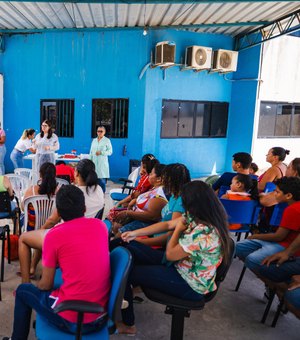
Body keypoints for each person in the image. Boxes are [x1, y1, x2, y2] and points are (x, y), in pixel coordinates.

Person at [116, 181, 231, 335]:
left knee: (126, 273)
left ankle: (128, 324)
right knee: (128, 246)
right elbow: (169, 224)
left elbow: (170, 253)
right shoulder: (198, 216)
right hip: (180, 266)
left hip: (190, 284)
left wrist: (178, 230)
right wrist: (135, 234)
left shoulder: (204, 233)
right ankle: (122, 291)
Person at [3, 185, 110, 340]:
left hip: (73, 320)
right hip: (101, 317)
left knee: (23, 290)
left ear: (58, 213)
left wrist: (38, 288)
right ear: (84, 208)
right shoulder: (100, 226)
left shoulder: (54, 237)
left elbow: (45, 285)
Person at [19, 159, 104, 283]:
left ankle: (25, 282)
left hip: (67, 236)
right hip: (89, 235)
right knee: (42, 232)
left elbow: (53, 220)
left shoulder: (73, 193)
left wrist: (41, 229)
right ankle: (33, 267)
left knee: (26, 238)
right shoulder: (99, 190)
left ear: (77, 173)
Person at [236, 177, 300, 272]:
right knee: (239, 247)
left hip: (285, 246)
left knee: (252, 260)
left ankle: (274, 285)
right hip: (281, 243)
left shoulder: (292, 209)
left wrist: (255, 236)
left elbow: (279, 236)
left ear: (288, 195)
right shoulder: (292, 206)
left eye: (277, 192)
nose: (274, 194)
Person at [112, 163, 167, 235]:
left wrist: (128, 213)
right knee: (115, 223)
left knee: (120, 232)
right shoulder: (154, 189)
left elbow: (152, 217)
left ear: (159, 179)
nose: (148, 175)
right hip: (136, 215)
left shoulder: (159, 194)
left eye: (151, 174)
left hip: (145, 222)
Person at [89, 126, 112, 193]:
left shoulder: (107, 141)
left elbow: (110, 152)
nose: (99, 133)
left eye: (101, 131)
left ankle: (102, 196)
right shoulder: (94, 140)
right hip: (94, 163)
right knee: (93, 182)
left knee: (101, 182)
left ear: (104, 132)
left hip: (102, 165)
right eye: (98, 131)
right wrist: (90, 161)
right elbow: (91, 152)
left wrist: (101, 152)